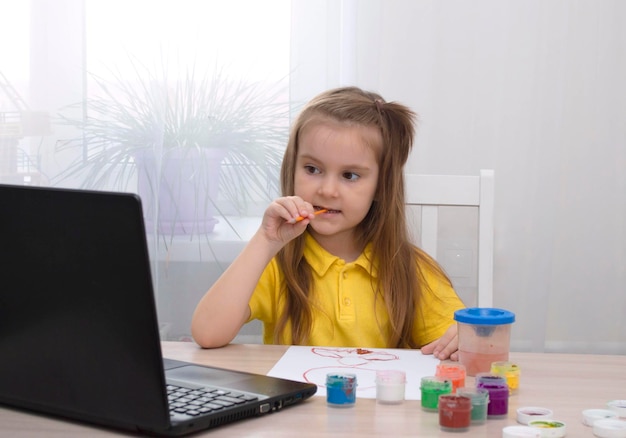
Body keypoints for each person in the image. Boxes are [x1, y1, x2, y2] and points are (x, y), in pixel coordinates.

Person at [191, 86, 465, 360]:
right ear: (292, 168)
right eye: (312, 169)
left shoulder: (411, 270)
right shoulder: (276, 264)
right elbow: (207, 333)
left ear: (382, 187)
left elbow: (460, 340)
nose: (327, 190)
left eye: (350, 175)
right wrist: (265, 241)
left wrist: (460, 338)